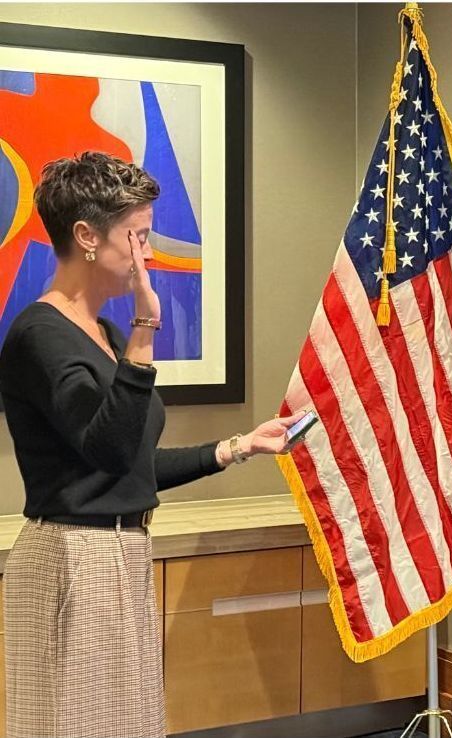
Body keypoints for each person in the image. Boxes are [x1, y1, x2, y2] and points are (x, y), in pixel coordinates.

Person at [0, 152, 303, 738]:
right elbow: (109, 449)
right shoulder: (41, 334)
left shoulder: (103, 334)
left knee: (131, 724)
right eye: (137, 237)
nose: (148, 254)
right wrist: (147, 324)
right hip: (73, 559)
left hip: (118, 553)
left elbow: (130, 465)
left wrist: (240, 446)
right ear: (86, 236)